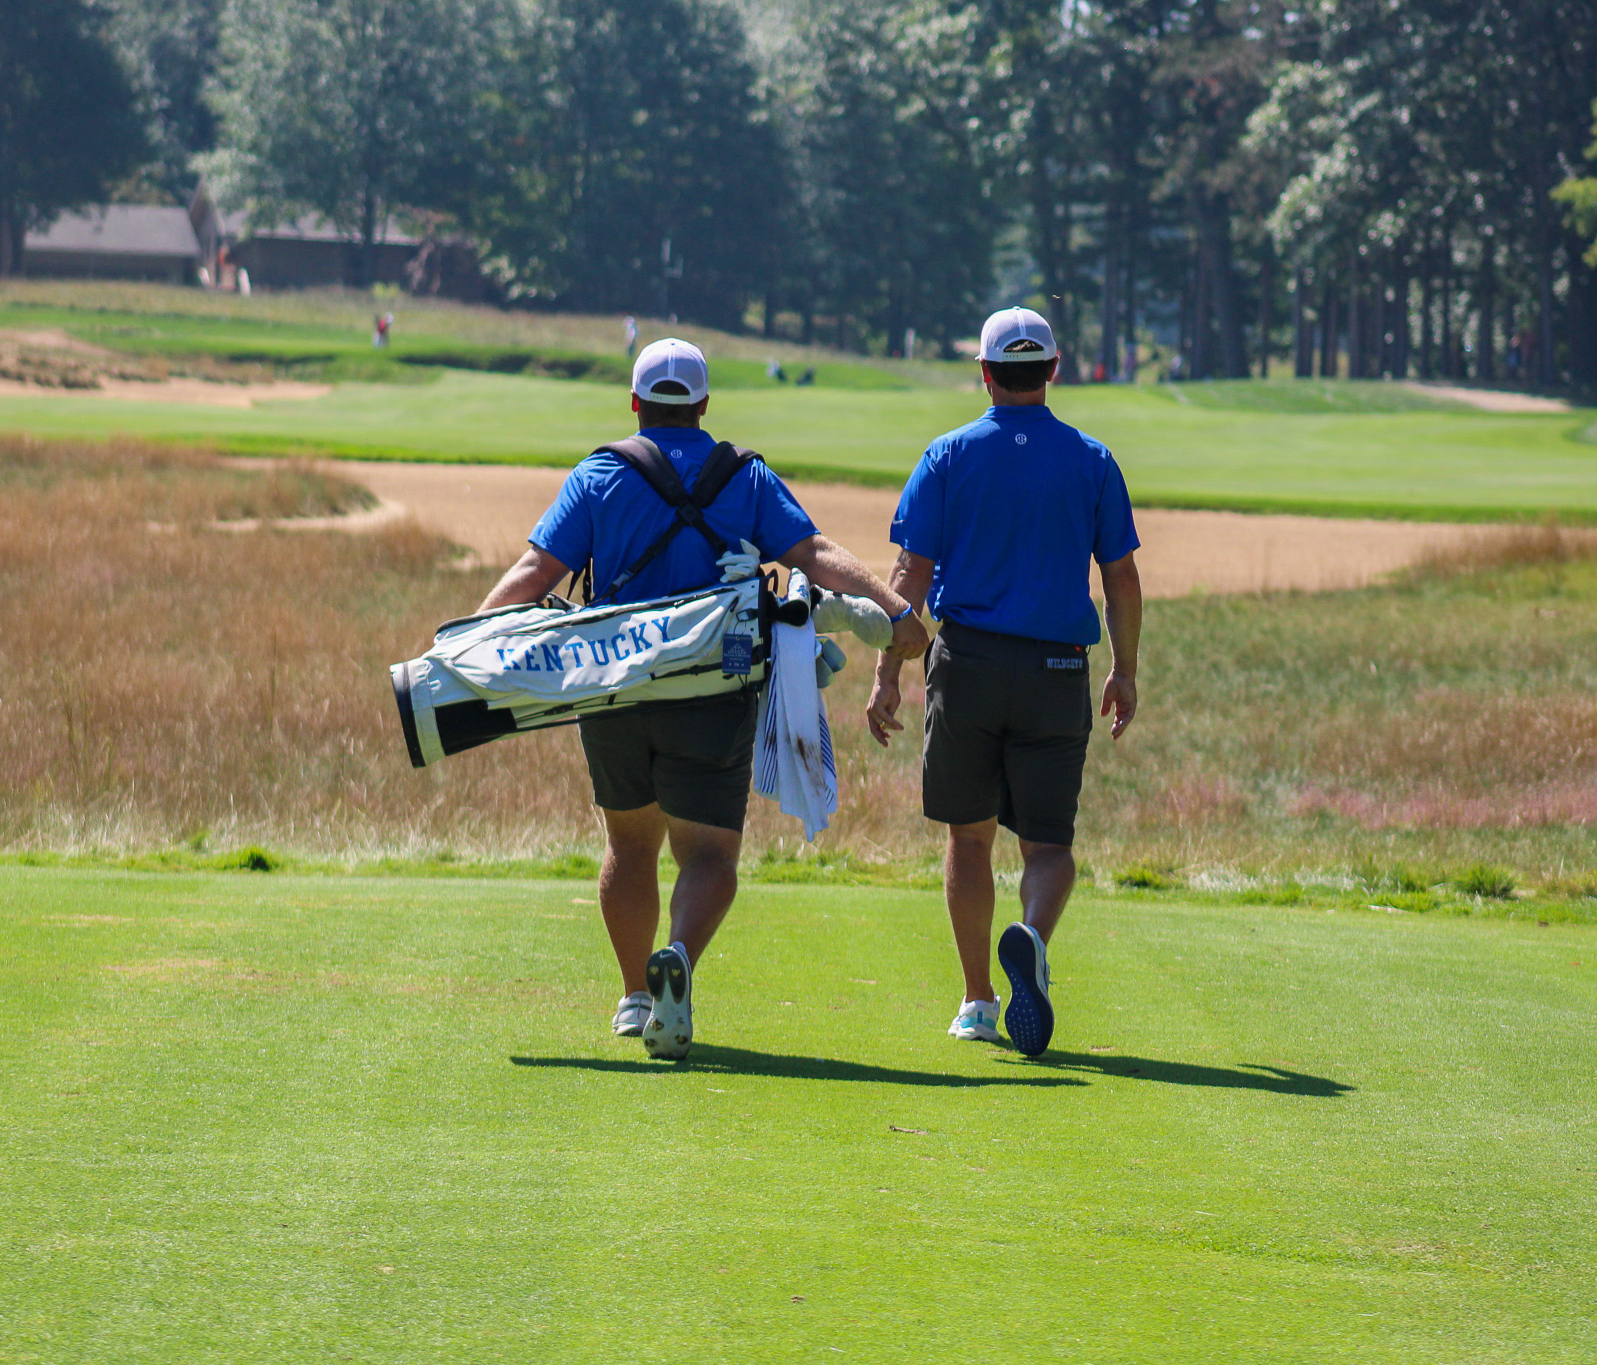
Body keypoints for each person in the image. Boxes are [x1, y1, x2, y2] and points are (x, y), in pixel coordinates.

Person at [477, 337, 929, 1059]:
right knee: (710, 853)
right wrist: (895, 609)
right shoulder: (744, 476)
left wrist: (466, 645)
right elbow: (812, 553)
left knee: (629, 842)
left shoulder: (599, 474)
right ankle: (679, 955)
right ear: (704, 406)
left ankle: (633, 996)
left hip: (615, 687)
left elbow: (536, 571)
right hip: (715, 693)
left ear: (634, 403)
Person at [866, 307, 1142, 1059]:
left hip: (970, 666)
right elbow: (1120, 576)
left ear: (984, 374)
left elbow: (908, 578)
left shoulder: (947, 455)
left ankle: (977, 999)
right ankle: (1030, 935)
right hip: (1057, 669)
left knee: (969, 835)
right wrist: (1124, 668)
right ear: (1053, 370)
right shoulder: (1092, 459)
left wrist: (887, 673)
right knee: (1049, 845)